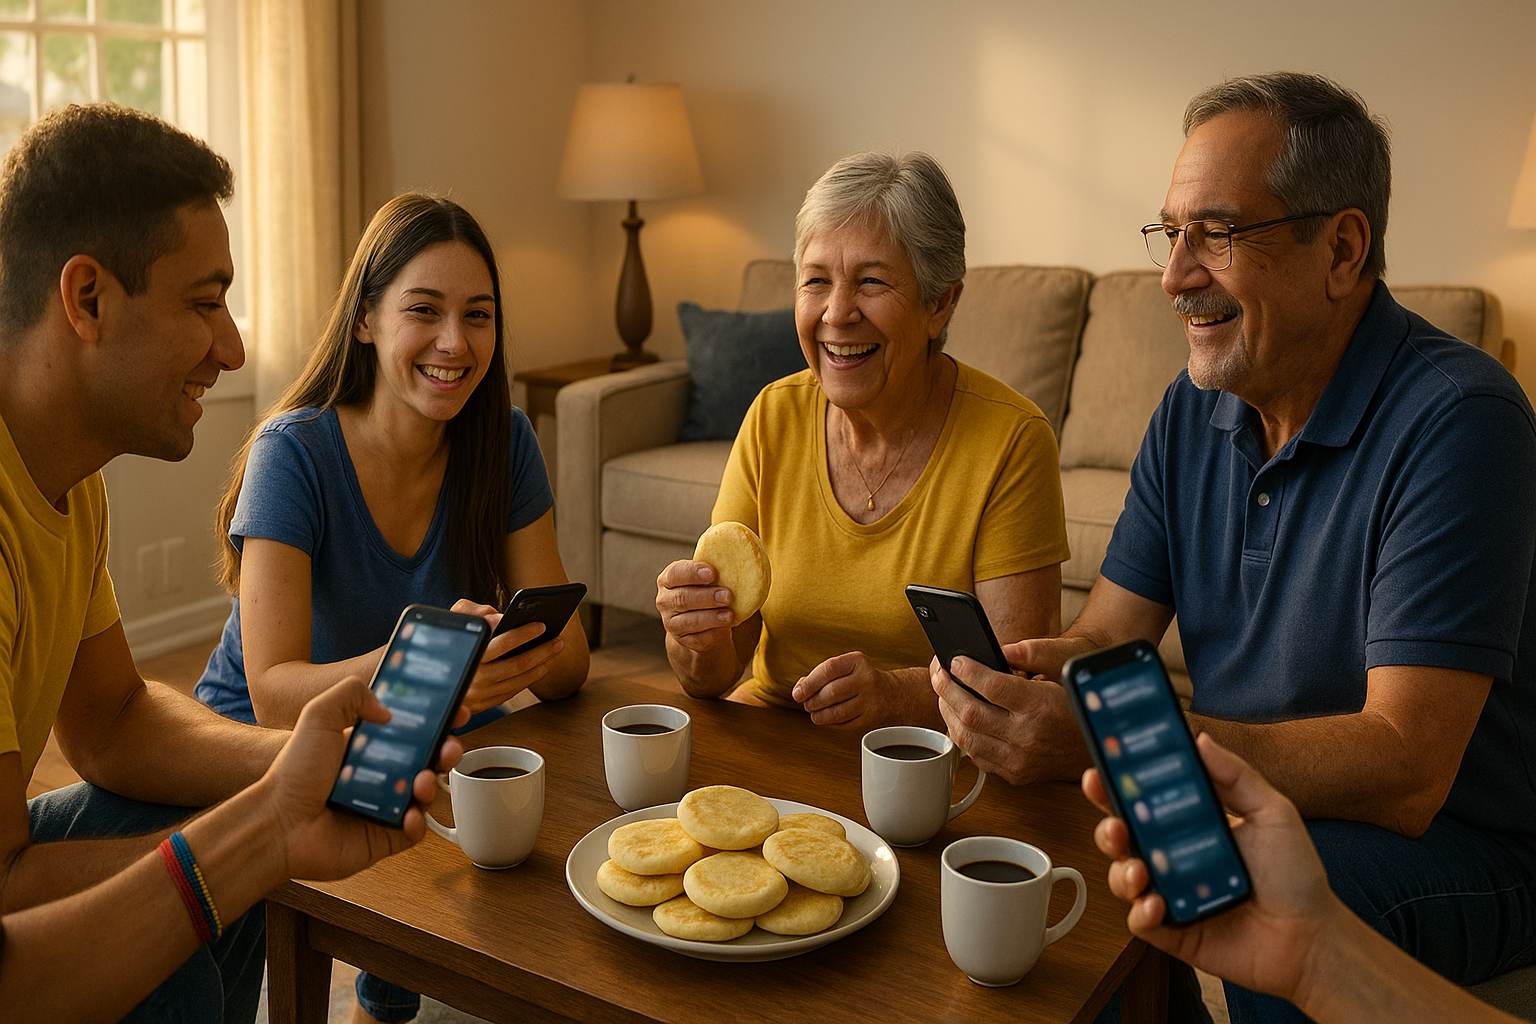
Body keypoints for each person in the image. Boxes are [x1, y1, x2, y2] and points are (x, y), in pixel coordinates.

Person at [930, 72, 1536, 1023]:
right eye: (1170, 234)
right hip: (1250, 789)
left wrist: (1121, 737)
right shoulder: (1193, 410)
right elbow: (1110, 639)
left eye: (1215, 234)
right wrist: (1042, 677)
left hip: (1462, 843)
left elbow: (1406, 768)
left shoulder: (1461, 420)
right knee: (1056, 829)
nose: (1173, 277)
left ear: (1341, 248)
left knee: (1256, 884)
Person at [193, 191, 590, 1024]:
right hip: (264, 745)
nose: (456, 342)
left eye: (478, 316)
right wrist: (428, 669)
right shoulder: (292, 453)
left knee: (503, 786)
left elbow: (572, 665)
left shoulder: (505, 440)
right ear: (367, 319)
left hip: (406, 729)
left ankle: (390, 986)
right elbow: (271, 692)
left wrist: (517, 652)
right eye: (425, 311)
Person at [0, 102, 281, 1022]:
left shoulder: (67, 475)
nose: (232, 348)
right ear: (86, 299)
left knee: (221, 865)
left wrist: (297, 766)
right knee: (180, 935)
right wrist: (247, 845)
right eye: (205, 304)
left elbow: (113, 718)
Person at [657, 151, 1069, 730]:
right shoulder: (774, 416)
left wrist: (898, 697)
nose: (837, 312)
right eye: (816, 281)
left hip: (928, 760)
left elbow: (1013, 687)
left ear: (939, 302)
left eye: (871, 282)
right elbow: (713, 676)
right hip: (779, 739)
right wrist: (694, 637)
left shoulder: (1012, 440)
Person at [4, 676, 464, 1022]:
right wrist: (261, 833)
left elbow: (115, 715)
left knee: (226, 841)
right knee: (180, 977)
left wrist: (305, 772)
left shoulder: (73, 542)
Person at [1083, 734, 1522, 1024]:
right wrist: (1310, 947)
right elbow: (1102, 635)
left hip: (1493, 847)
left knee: (1333, 868)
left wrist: (1172, 739)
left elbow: (1410, 766)